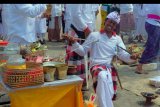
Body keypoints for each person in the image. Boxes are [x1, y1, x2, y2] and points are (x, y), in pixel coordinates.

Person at [63, 11, 138, 107]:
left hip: (109, 69)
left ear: (115, 27)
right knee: (102, 76)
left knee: (108, 93)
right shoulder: (94, 35)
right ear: (105, 21)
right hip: (96, 67)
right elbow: (82, 51)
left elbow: (123, 54)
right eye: (110, 22)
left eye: (114, 24)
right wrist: (74, 42)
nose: (111, 25)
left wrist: (131, 57)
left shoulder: (117, 39)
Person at [136, 4, 160, 74]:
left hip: (155, 23)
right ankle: (139, 66)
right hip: (153, 23)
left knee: (157, 45)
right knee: (151, 45)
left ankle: (152, 61)